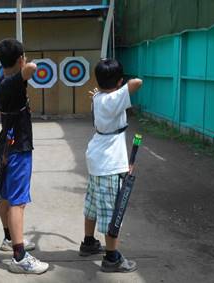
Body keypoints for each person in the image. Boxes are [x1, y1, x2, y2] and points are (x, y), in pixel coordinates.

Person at [81, 58, 142, 272]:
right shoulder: (114, 98)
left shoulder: (98, 97)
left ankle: (89, 242)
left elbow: (106, 92)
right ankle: (111, 258)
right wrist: (120, 87)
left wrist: (110, 87)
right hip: (109, 163)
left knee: (92, 204)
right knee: (111, 212)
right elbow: (137, 82)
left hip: (96, 159)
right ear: (117, 82)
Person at [0, 38, 49, 274]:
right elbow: (32, 69)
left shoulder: (1, 80)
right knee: (18, 201)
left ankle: (9, 239)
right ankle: (19, 256)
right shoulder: (13, 82)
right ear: (19, 59)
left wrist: (20, 61)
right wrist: (25, 64)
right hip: (18, 147)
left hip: (8, 143)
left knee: (7, 195)